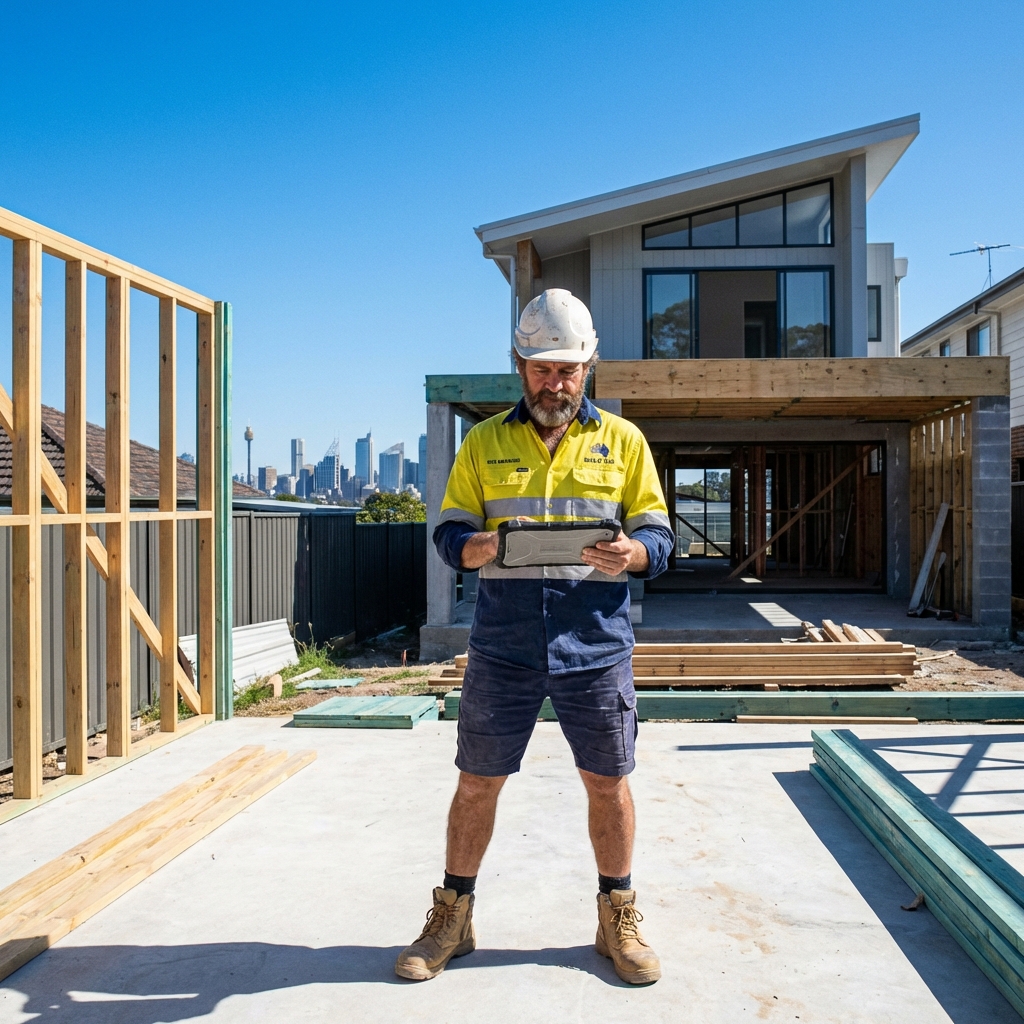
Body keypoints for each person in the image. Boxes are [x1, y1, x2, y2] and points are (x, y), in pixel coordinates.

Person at [395, 289, 673, 985]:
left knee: (607, 784)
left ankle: (618, 918)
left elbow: (659, 535)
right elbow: (449, 533)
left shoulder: (625, 442)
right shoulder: (483, 442)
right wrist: (479, 548)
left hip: (596, 642)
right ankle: (452, 916)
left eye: (568, 370)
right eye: (543, 369)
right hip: (504, 644)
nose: (556, 384)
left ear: (589, 366)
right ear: (518, 363)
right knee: (478, 782)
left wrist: (632, 555)